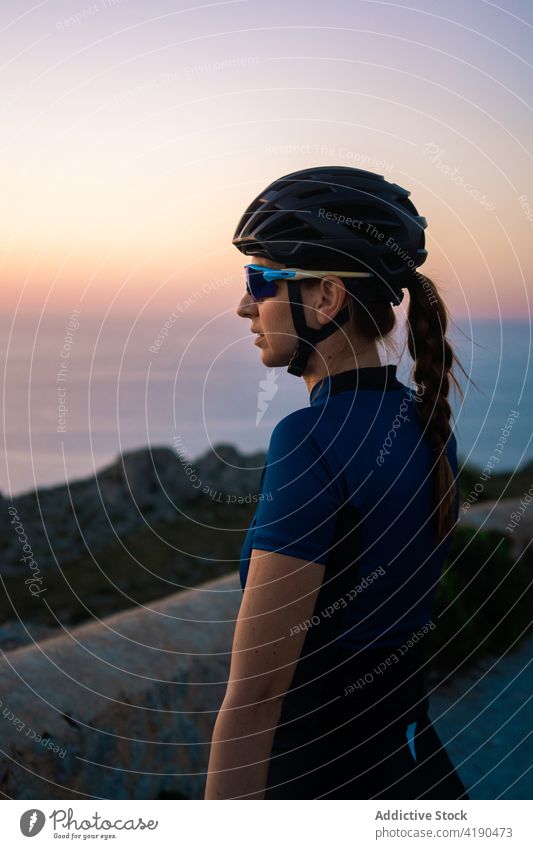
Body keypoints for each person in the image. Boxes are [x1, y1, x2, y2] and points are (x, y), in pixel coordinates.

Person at [204, 166, 469, 800]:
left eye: (260, 280)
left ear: (326, 298)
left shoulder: (309, 439)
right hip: (413, 771)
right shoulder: (428, 422)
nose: (245, 304)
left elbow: (258, 694)